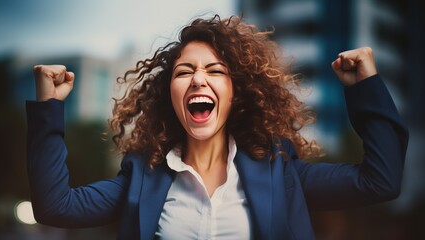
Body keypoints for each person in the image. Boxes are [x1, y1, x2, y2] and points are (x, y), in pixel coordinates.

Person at [26, 15, 408, 239]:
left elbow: (381, 181)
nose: (198, 80)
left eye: (215, 71)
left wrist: (366, 89)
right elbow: (55, 207)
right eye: (184, 71)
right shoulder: (142, 178)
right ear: (169, 95)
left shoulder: (282, 171)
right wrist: (49, 107)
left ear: (235, 93)